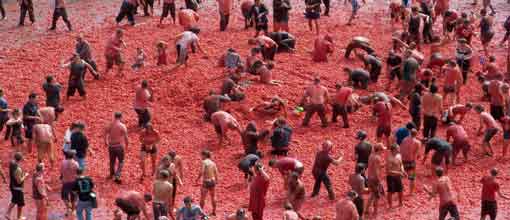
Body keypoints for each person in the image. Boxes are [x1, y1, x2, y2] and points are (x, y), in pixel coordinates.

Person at [104, 112, 129, 183]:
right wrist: (127, 145)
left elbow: (105, 133)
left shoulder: (109, 125)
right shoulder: (122, 126)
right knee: (121, 161)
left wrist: (105, 141)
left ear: (114, 117)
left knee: (112, 161)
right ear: (121, 117)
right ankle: (117, 175)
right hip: (119, 146)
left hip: (111, 146)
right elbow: (126, 137)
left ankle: (111, 174)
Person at [5, 153, 28, 220]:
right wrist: (25, 176)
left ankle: (7, 214)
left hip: (12, 186)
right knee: (20, 204)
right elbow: (19, 181)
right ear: (20, 159)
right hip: (17, 188)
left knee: (14, 200)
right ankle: (19, 217)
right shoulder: (18, 169)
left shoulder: (12, 164)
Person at [196, 150, 218, 215]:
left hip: (206, 181)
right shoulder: (213, 163)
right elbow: (216, 172)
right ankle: (214, 211)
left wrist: (197, 179)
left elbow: (201, 172)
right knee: (213, 197)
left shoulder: (204, 162)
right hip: (213, 181)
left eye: (201, 155)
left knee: (203, 198)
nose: (201, 157)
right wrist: (217, 180)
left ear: (204, 155)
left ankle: (201, 212)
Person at [366, 143, 385, 217]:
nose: (383, 151)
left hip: (369, 178)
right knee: (377, 197)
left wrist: (383, 165)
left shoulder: (371, 156)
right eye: (382, 149)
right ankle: (375, 212)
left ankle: (366, 210)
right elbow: (377, 170)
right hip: (375, 179)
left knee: (372, 194)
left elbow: (375, 166)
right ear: (379, 150)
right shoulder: (377, 157)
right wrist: (379, 180)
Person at [399, 129, 420, 195]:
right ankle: (411, 192)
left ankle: (400, 191)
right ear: (416, 134)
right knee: (412, 178)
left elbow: (401, 149)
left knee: (401, 176)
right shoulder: (417, 142)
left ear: (410, 133)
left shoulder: (404, 139)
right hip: (411, 161)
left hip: (403, 160)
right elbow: (417, 154)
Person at [61, 150, 79, 216]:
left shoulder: (63, 162)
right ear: (73, 156)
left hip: (65, 182)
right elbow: (78, 172)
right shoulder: (76, 163)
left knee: (64, 196)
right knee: (73, 197)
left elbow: (61, 172)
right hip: (74, 182)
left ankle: (68, 208)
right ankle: (73, 210)